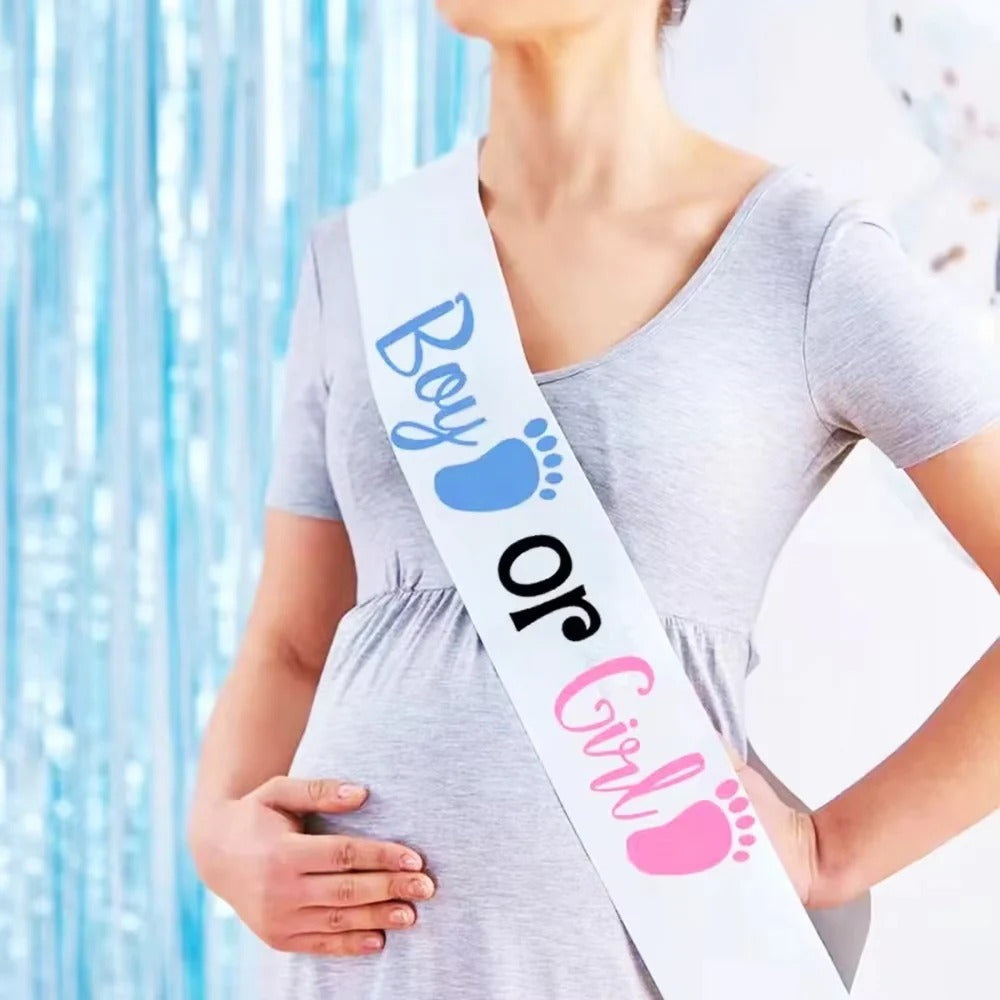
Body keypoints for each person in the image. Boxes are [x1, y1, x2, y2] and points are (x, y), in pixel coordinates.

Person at [187, 1, 1000, 997]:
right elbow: (291, 644)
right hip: (358, 967)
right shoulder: (361, 261)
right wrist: (220, 834)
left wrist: (834, 849)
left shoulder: (803, 257)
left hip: (641, 957)